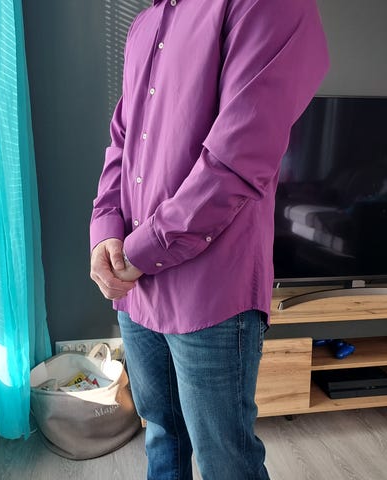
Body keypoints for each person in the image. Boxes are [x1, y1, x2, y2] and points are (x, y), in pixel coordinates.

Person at [90, 0, 329, 478]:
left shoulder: (266, 6)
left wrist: (141, 250)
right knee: (161, 436)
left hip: (210, 292)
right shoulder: (145, 23)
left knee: (225, 460)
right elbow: (123, 140)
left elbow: (237, 159)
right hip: (136, 287)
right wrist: (105, 229)